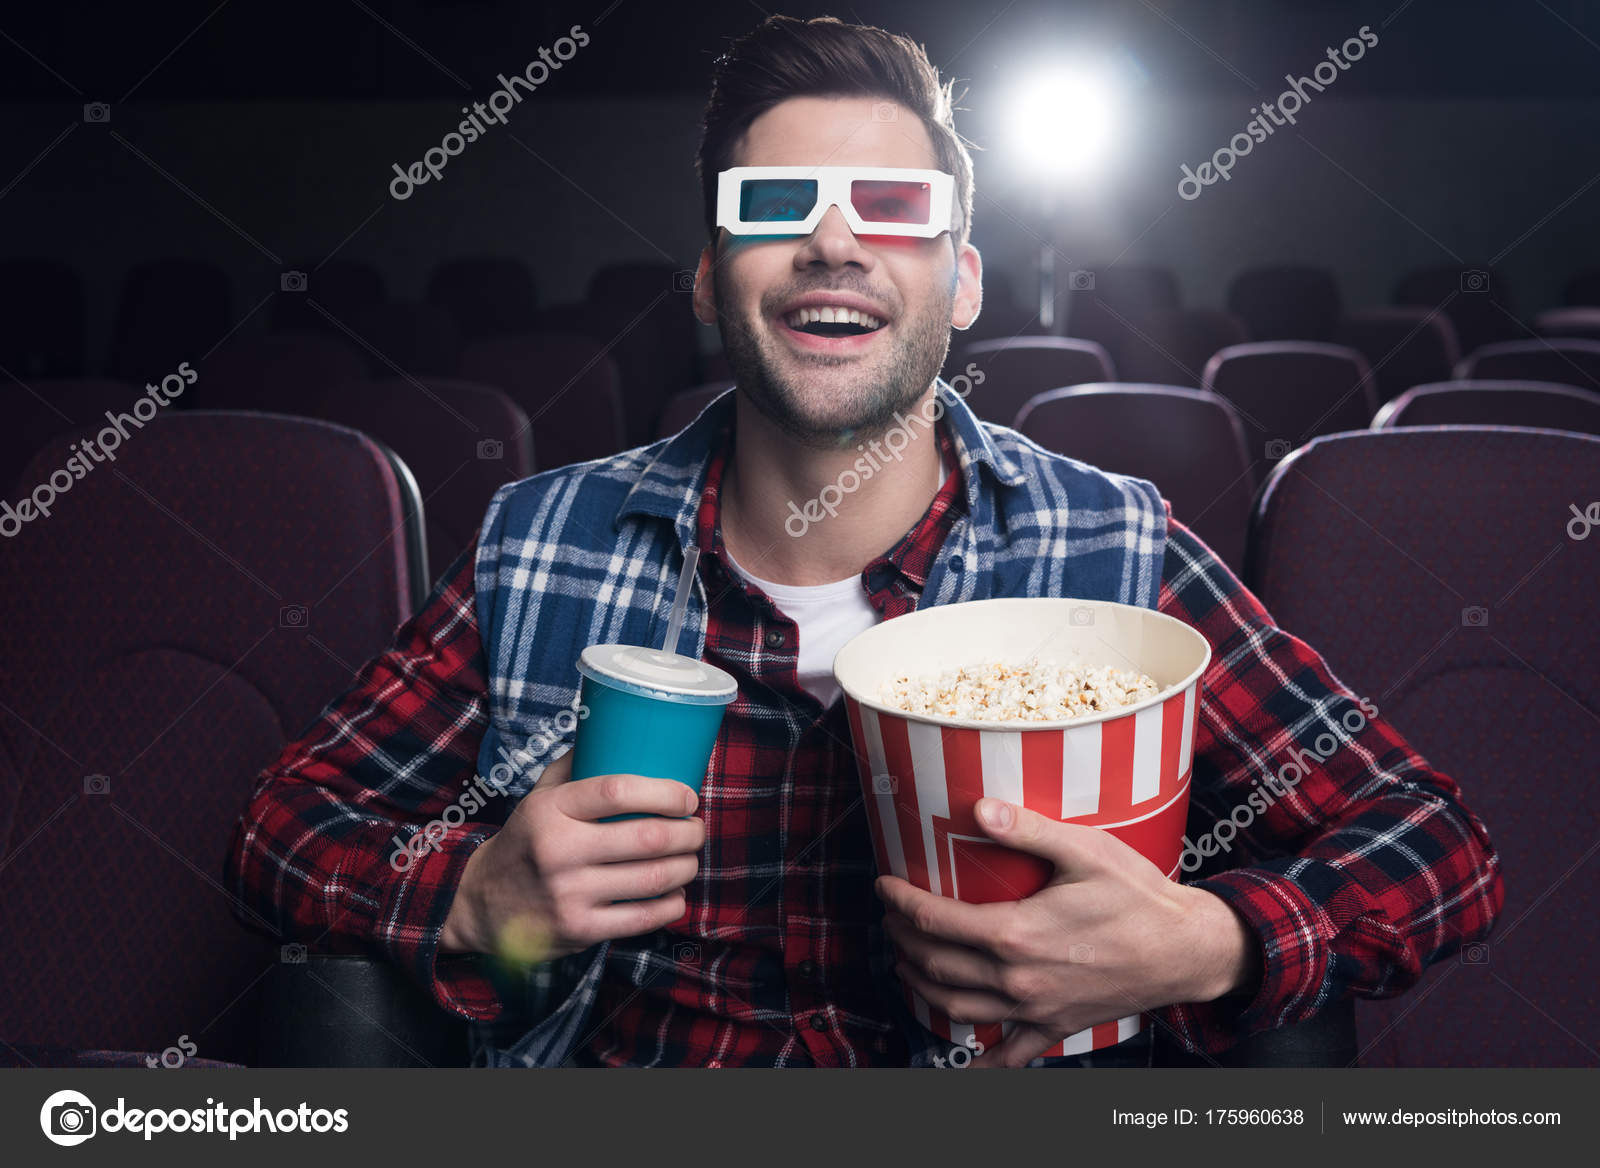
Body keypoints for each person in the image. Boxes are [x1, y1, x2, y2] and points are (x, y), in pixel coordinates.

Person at [226, 15, 1501, 1068]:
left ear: (964, 281)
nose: (834, 241)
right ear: (708, 275)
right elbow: (288, 821)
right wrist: (466, 895)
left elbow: (1432, 835)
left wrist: (1215, 940)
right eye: (778, 203)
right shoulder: (545, 539)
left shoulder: (1110, 546)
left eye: (893, 207)